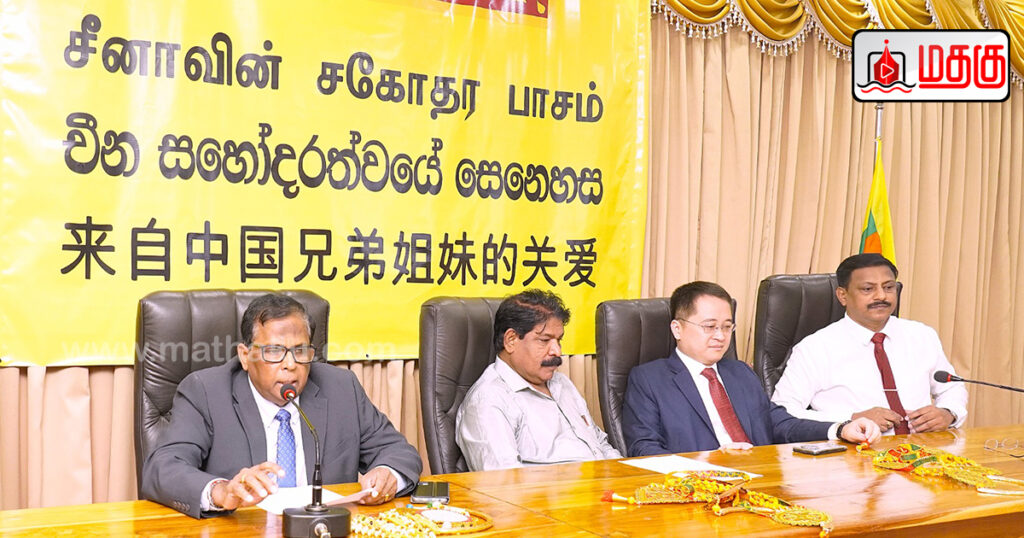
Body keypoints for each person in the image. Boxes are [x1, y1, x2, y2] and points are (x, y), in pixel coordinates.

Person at [141, 293, 422, 518]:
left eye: (300, 351)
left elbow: (398, 452)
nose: (290, 364)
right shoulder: (206, 391)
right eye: (274, 351)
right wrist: (221, 491)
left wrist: (388, 474)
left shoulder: (341, 387)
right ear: (245, 356)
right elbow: (163, 468)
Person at [621, 281, 880, 456]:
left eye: (727, 327)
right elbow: (643, 448)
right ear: (677, 329)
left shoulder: (740, 373)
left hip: (762, 483)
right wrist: (709, 462)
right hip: (701, 491)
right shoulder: (649, 379)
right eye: (709, 326)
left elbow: (780, 424)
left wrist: (841, 429)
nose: (720, 336)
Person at [771, 253, 968, 434]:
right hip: (854, 452)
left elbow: (951, 388)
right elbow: (783, 411)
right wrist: (851, 419)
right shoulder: (815, 348)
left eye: (889, 287)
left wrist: (948, 412)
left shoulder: (921, 335)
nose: (881, 296)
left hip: (923, 450)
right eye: (868, 289)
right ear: (843, 296)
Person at [456, 289, 621, 470]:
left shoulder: (561, 383)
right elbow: (504, 480)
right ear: (511, 340)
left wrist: (626, 475)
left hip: (606, 484)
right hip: (560, 488)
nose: (557, 351)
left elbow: (599, 445)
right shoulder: (489, 400)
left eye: (558, 340)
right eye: (544, 340)